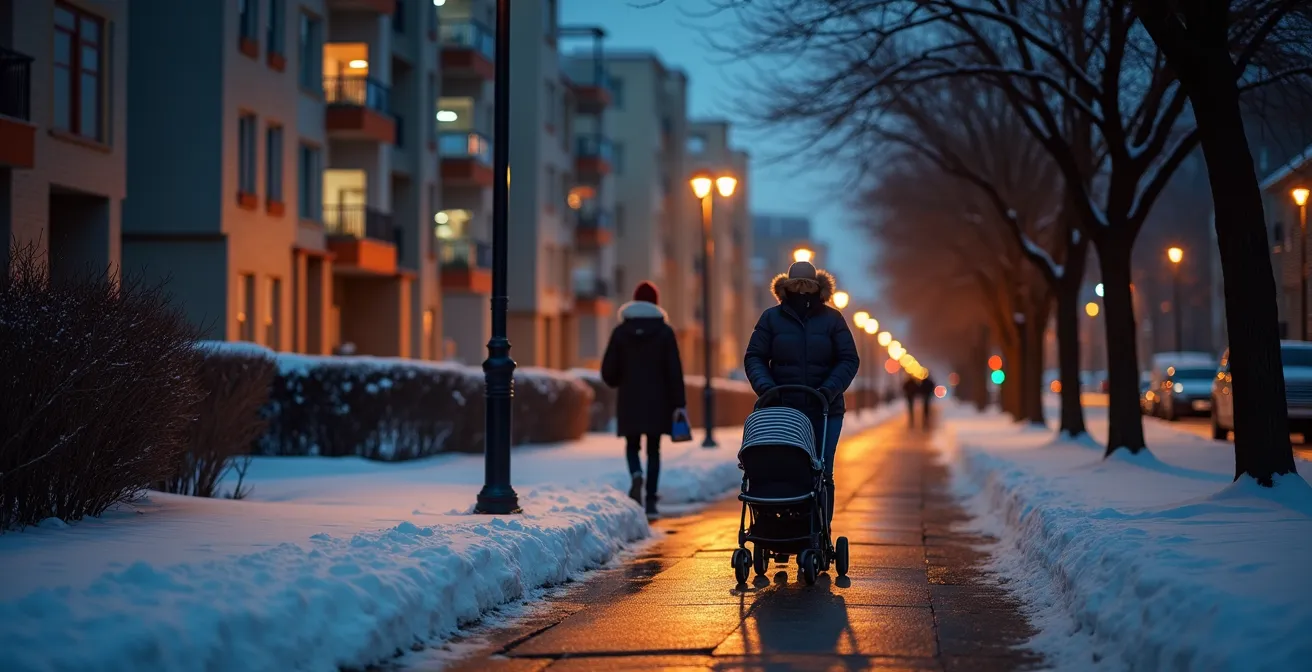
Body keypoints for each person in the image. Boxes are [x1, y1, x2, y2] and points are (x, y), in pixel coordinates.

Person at [743, 261, 860, 526]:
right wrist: (768, 389)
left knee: (822, 471)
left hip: (825, 409)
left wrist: (828, 389)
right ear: (786, 288)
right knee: (780, 469)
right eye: (797, 287)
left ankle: (819, 531)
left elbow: (848, 359)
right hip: (782, 407)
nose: (802, 292)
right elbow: (755, 357)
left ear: (818, 289)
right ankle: (780, 526)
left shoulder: (832, 319)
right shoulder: (771, 318)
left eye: (808, 287)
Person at [601, 281, 687, 518]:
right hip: (658, 402)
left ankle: (636, 474)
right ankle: (650, 501)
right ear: (656, 303)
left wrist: (621, 379)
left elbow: (608, 371)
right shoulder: (665, 332)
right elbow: (674, 371)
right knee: (654, 450)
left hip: (630, 399)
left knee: (631, 445)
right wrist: (679, 403)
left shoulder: (620, 331)